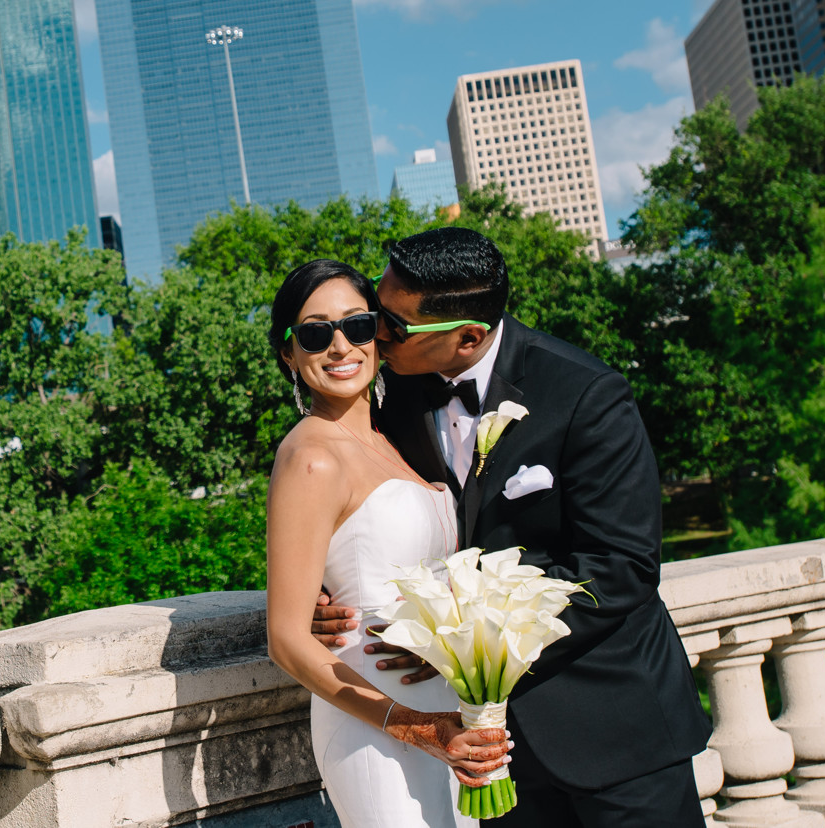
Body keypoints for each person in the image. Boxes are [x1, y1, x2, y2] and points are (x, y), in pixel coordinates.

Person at [310, 227, 711, 827]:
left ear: (468, 336)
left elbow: (621, 568)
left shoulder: (589, 396)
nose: (375, 336)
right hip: (484, 757)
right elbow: (361, 510)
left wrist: (460, 643)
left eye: (392, 325)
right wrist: (325, 587)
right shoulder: (391, 402)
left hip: (616, 728)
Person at [266, 257, 510, 827]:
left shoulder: (395, 437)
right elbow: (285, 638)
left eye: (356, 326)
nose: (339, 346)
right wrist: (411, 726)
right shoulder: (310, 455)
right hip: (374, 714)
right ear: (290, 354)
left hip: (450, 705)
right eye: (314, 333)